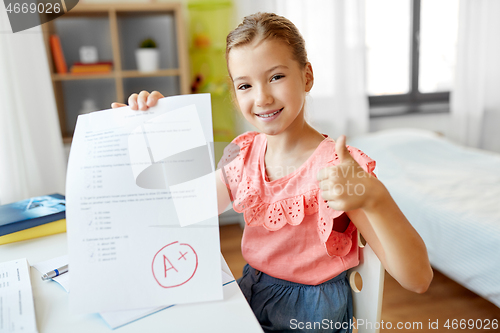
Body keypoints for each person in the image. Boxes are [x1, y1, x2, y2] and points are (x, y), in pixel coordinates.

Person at [112, 12, 433, 333]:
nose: (262, 97)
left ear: (306, 76)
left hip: (309, 318)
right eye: (245, 85)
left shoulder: (340, 169)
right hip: (251, 298)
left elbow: (417, 279)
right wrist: (144, 134)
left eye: (276, 77)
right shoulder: (243, 156)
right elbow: (179, 209)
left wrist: (376, 199)